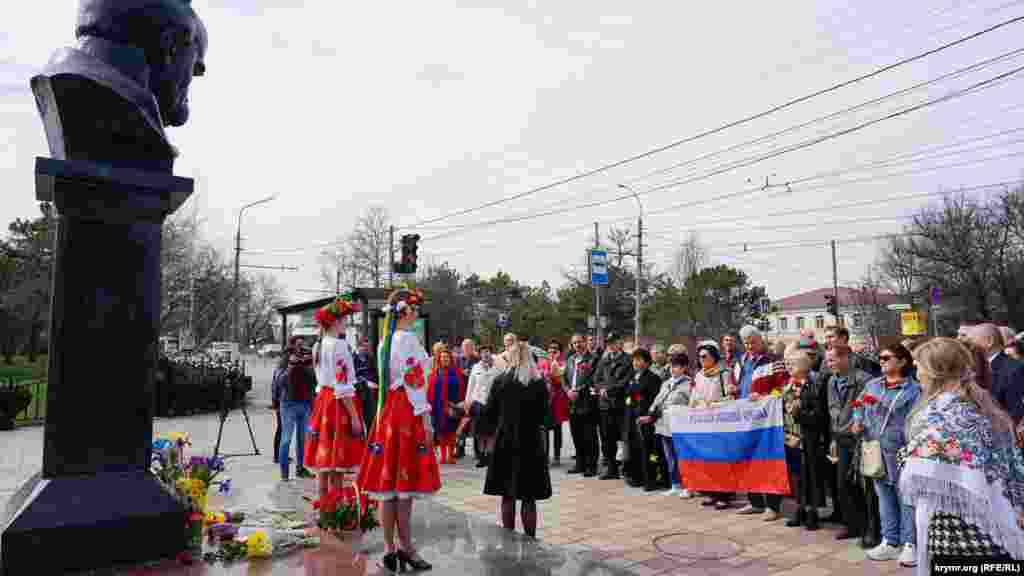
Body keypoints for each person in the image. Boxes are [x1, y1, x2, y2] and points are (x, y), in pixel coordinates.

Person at [898, 338, 1024, 573]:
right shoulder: (986, 407)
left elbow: (919, 476)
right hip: (999, 529)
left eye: (918, 367)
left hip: (956, 531)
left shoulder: (937, 414)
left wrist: (906, 456)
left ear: (935, 371)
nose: (917, 375)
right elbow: (1013, 468)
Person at [358, 288, 439, 572]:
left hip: (389, 411)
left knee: (389, 487)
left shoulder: (386, 341)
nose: (417, 315)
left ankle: (390, 548)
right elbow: (415, 381)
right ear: (406, 312)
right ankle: (407, 548)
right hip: (406, 411)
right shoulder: (408, 339)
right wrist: (426, 418)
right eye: (415, 310)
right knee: (404, 489)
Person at [849, 343, 921, 566]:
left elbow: (917, 419)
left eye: (886, 357)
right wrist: (858, 421)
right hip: (875, 451)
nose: (881, 361)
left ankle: (911, 544)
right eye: (880, 358)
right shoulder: (872, 385)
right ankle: (890, 541)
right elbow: (858, 405)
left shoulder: (913, 389)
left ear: (902, 361)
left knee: (906, 498)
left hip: (901, 451)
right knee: (884, 497)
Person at [481, 341, 553, 538]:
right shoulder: (538, 384)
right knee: (528, 497)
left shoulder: (500, 381)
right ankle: (530, 539)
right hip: (531, 443)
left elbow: (489, 413)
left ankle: (508, 538)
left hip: (504, 441)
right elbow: (546, 417)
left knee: (507, 494)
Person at [304, 295, 365, 499]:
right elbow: (343, 385)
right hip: (338, 405)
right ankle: (335, 511)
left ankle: (322, 510)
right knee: (338, 467)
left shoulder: (318, 345)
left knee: (324, 464)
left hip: (323, 402)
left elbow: (323, 382)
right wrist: (355, 417)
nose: (346, 324)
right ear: (335, 322)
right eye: (344, 320)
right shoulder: (339, 346)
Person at [734, 325, 788, 520]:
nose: (749, 345)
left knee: (768, 460)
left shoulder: (774, 361)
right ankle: (755, 501)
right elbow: (738, 384)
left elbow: (783, 386)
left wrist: (766, 396)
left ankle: (773, 506)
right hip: (745, 418)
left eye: (753, 341)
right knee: (748, 460)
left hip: (767, 418)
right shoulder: (740, 361)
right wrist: (734, 390)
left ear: (760, 340)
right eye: (746, 342)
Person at [826, 343, 872, 543]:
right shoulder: (831, 381)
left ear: (846, 358)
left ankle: (869, 528)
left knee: (864, 486)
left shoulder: (864, 380)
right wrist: (833, 438)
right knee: (843, 484)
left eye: (833, 359)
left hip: (859, 439)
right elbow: (832, 411)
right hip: (840, 437)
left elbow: (868, 410)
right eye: (828, 360)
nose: (829, 364)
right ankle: (851, 524)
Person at [785, 346, 827, 531]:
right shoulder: (789, 386)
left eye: (791, 364)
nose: (788, 367)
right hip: (792, 437)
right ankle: (799, 509)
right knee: (797, 476)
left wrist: (798, 413)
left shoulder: (814, 386)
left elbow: (818, 416)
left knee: (811, 476)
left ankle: (813, 513)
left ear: (803, 366)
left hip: (810, 438)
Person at [639, 351, 692, 498]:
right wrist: (650, 414)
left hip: (680, 427)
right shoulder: (666, 383)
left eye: (677, 366)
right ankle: (675, 484)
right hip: (664, 425)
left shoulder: (689, 384)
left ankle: (688, 485)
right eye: (671, 366)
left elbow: (692, 404)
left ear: (684, 367)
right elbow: (657, 401)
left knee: (683, 457)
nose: (673, 369)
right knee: (669, 456)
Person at [691, 340, 735, 509]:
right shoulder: (699, 375)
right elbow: (694, 395)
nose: (702, 359)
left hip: (719, 421)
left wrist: (714, 405)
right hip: (703, 422)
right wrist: (694, 405)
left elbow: (730, 397)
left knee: (721, 460)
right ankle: (710, 491)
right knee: (707, 459)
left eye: (705, 356)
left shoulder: (723, 373)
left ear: (713, 356)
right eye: (699, 356)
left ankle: (724, 495)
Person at [622, 348, 665, 491]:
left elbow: (655, 400)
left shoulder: (653, 378)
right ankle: (636, 477)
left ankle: (650, 480)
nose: (635, 363)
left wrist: (649, 415)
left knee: (647, 451)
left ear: (647, 362)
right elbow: (628, 396)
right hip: (631, 418)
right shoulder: (632, 377)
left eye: (639, 360)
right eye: (634, 360)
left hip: (645, 419)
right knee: (634, 449)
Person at [595, 333, 631, 480]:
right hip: (605, 405)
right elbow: (597, 378)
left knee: (623, 438)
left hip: (620, 405)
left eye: (613, 342)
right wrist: (601, 388)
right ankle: (611, 467)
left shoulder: (627, 360)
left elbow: (626, 381)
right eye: (608, 343)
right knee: (606, 438)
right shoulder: (604, 359)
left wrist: (609, 390)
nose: (610, 345)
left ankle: (626, 467)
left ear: (619, 343)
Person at [278, 338, 316, 481]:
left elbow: (315, 381)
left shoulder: (307, 358)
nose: (300, 348)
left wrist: (310, 365)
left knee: (303, 439)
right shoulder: (285, 359)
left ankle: (300, 469)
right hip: (288, 404)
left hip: (305, 404)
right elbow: (279, 382)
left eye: (302, 345)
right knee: (286, 439)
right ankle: (284, 474)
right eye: (298, 345)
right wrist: (291, 366)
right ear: (292, 346)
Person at [565, 334, 599, 477]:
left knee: (589, 436)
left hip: (587, 402)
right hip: (572, 403)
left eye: (579, 342)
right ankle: (580, 463)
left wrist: (578, 390)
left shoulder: (593, 359)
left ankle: (591, 465)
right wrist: (568, 390)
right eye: (574, 343)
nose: (577, 345)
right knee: (576, 435)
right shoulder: (570, 360)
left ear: (585, 342)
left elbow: (594, 378)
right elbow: (564, 378)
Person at [462, 343, 500, 468]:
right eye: (483, 352)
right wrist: (468, 402)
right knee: (479, 433)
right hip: (478, 403)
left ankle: (489, 456)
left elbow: (500, 387)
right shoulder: (475, 367)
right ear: (480, 354)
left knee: (491, 433)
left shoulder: (497, 369)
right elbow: (471, 386)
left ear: (491, 353)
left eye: (487, 351)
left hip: (492, 404)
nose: (485, 354)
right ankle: (481, 457)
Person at [427, 342, 465, 465]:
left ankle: (451, 455)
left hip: (453, 406)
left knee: (452, 432)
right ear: (439, 359)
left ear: (450, 359)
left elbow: (462, 389)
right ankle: (443, 456)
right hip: (438, 407)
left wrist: (460, 404)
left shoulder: (457, 372)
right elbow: (430, 390)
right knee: (441, 432)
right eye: (442, 357)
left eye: (447, 357)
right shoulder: (434, 373)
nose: (444, 359)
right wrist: (430, 405)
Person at [538, 339, 570, 466]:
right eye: (550, 350)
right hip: (545, 400)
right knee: (544, 429)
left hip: (557, 400)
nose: (552, 352)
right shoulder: (542, 363)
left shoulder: (563, 364)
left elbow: (561, 381)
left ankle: (557, 455)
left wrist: (554, 369)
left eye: (555, 350)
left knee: (557, 428)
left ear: (560, 352)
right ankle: (545, 455)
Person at [354, 337, 378, 432]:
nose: (367, 349)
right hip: (360, 393)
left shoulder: (370, 358)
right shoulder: (353, 359)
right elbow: (352, 377)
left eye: (368, 347)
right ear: (358, 346)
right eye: (364, 347)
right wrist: (366, 382)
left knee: (371, 419)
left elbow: (376, 373)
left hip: (372, 393)